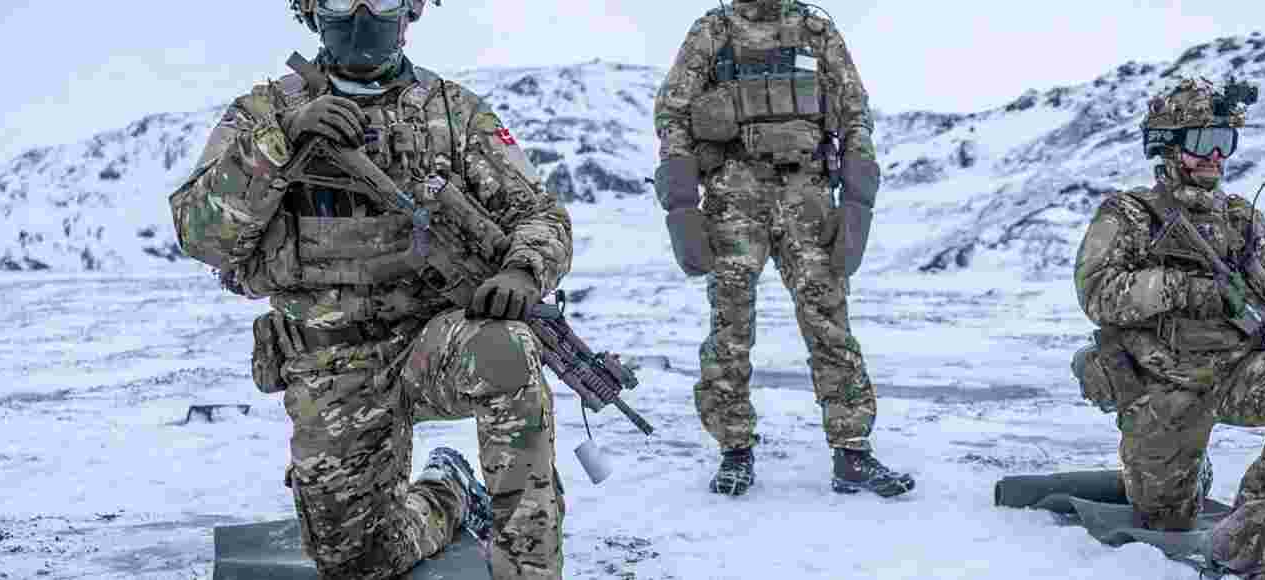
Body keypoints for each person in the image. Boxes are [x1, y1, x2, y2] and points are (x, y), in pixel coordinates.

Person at [168, 0, 571, 577]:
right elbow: (202, 235)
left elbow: (539, 213)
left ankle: (530, 569)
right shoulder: (265, 113)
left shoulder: (453, 113)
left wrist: (523, 270)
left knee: (506, 350)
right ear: (309, 12)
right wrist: (279, 144)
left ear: (410, 10)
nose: (361, 14)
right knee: (358, 562)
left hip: (434, 341)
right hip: (329, 360)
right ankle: (448, 491)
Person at [651, 0, 913, 498]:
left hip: (807, 195)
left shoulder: (816, 29)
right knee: (730, 328)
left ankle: (852, 452)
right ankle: (734, 451)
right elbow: (674, 113)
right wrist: (681, 200)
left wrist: (858, 193)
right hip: (733, 194)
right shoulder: (714, 29)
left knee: (829, 322)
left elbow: (854, 110)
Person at [1072, 77, 1265, 531]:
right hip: (1164, 383)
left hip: (1237, 371)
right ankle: (1181, 476)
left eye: (1225, 140)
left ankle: (1254, 521)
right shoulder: (1129, 215)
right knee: (1165, 522)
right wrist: (1187, 290)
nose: (1216, 154)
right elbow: (1098, 292)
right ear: (1169, 146)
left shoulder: (1241, 218)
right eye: (1203, 140)